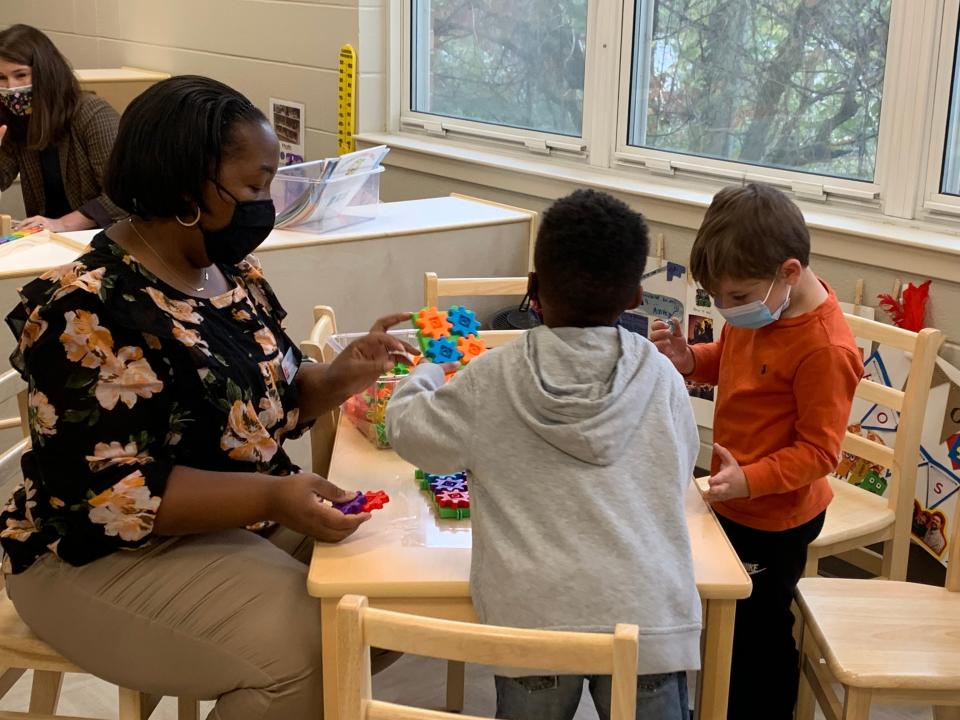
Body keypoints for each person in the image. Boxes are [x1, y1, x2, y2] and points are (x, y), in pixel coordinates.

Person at [1, 75, 414, 719]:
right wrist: (274, 494)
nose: (265, 203)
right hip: (94, 555)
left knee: (386, 600)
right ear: (187, 185)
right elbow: (108, 494)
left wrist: (338, 377)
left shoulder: (230, 271)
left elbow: (263, 405)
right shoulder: (85, 309)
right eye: (252, 186)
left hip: (231, 523)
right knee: (307, 654)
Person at [387, 189, 701, 720]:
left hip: (532, 614)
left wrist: (426, 370)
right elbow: (680, 467)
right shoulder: (661, 375)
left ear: (534, 290)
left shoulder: (492, 377)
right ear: (632, 298)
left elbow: (411, 435)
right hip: (649, 614)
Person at [651, 183, 863, 720]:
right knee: (729, 625)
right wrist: (691, 358)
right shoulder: (763, 305)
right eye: (718, 299)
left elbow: (819, 453)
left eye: (736, 298)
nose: (726, 309)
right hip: (735, 495)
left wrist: (750, 480)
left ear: (788, 273)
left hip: (776, 516)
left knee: (759, 638)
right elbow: (732, 353)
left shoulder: (825, 349)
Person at [0, 24, 124, 231]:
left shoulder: (92, 113)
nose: (11, 88)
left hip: (101, 238)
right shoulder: (16, 119)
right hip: (50, 241)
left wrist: (62, 224)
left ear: (46, 73)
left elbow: (123, 195)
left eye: (21, 75)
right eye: (1, 78)